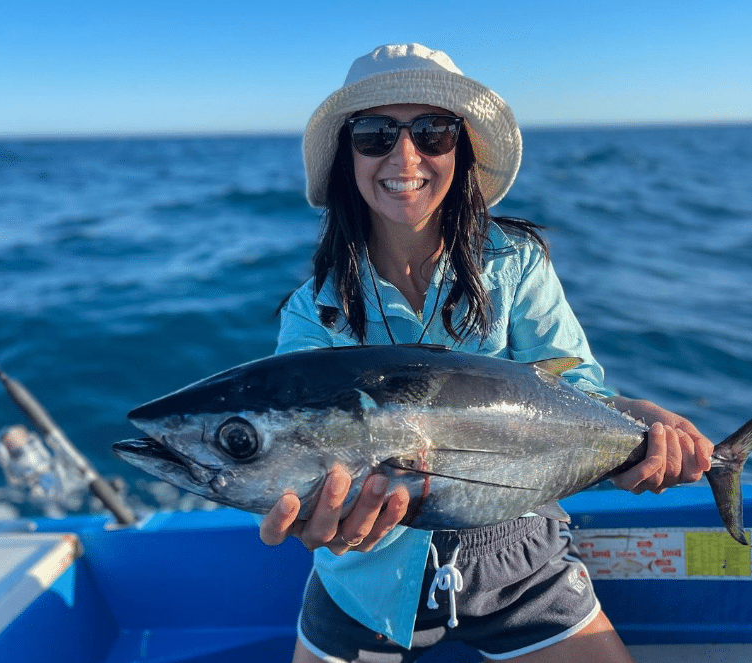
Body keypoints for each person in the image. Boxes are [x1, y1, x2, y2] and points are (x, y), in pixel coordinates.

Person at [259, 43, 714, 663]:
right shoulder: (313, 310)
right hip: (365, 578)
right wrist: (315, 518)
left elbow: (574, 389)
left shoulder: (516, 263)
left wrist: (636, 420)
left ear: (461, 148)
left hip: (519, 558)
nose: (405, 155)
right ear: (347, 156)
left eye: (433, 131)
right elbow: (291, 438)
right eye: (374, 134)